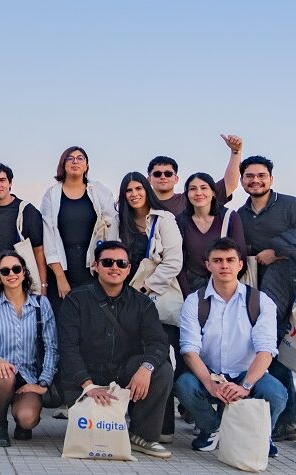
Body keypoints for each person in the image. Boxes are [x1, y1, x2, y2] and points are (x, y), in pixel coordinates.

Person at [237, 155, 296, 451]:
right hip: (265, 297)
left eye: (261, 175)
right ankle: (287, 421)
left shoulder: (291, 205)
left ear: (271, 179)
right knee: (273, 359)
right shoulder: (241, 214)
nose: (255, 181)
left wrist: (276, 253)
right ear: (242, 181)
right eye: (249, 176)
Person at [57, 240, 173, 459]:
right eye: (107, 262)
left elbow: (158, 342)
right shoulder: (76, 300)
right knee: (92, 432)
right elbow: (67, 347)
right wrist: (88, 385)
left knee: (161, 369)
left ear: (129, 269)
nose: (114, 268)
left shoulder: (142, 303)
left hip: (123, 374)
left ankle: (142, 436)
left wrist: (145, 368)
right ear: (95, 266)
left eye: (121, 263)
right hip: (86, 376)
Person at [175, 238, 286, 456]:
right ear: (208, 265)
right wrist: (210, 385)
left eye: (229, 260)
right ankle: (212, 428)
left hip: (247, 374)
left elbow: (266, 350)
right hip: (211, 374)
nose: (224, 265)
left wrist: (245, 385)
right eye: (217, 260)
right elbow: (189, 350)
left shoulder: (260, 301)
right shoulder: (194, 301)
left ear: (240, 264)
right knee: (184, 385)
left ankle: (261, 434)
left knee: (276, 393)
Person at [110, 172, 183, 442]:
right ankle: (127, 421)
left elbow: (174, 261)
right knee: (130, 355)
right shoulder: (119, 223)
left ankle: (162, 428)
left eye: (138, 188)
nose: (134, 194)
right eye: (128, 190)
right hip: (123, 300)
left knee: (160, 358)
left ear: (147, 190)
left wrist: (144, 288)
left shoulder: (164, 219)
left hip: (154, 297)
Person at [0, 251, 58, 447]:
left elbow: (51, 347)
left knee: (27, 418)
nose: (11, 273)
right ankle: (0, 423)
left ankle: (21, 422)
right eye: (5, 271)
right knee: (6, 375)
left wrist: (43, 382)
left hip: (28, 376)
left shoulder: (41, 304)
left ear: (23, 273)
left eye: (16, 269)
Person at [40, 146, 117, 312]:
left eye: (80, 158)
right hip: (63, 268)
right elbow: (49, 236)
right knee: (66, 321)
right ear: (63, 164)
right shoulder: (52, 194)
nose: (75, 161)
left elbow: (113, 224)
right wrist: (60, 278)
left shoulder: (98, 191)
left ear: (86, 166)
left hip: (93, 268)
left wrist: (106, 262)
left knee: (95, 321)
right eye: (70, 158)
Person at [176, 172, 247, 296]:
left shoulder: (229, 217)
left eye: (204, 188)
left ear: (213, 192)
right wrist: (186, 292)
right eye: (193, 189)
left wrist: (225, 284)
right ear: (187, 194)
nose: (198, 193)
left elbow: (241, 256)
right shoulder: (181, 220)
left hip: (225, 283)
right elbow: (178, 259)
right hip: (192, 286)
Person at [147, 134, 243, 215]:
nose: (163, 177)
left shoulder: (191, 198)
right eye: (157, 174)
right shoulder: (139, 203)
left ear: (176, 179)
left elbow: (229, 184)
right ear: (149, 179)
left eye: (168, 174)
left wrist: (235, 152)